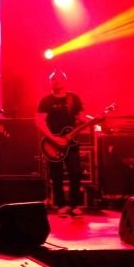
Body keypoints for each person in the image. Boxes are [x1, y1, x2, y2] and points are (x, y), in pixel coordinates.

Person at [35, 70, 86, 216]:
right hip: (52, 143)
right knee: (56, 174)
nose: (56, 81)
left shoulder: (74, 98)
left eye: (59, 78)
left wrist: (87, 119)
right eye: (53, 79)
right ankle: (61, 205)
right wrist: (52, 137)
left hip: (71, 142)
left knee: (75, 172)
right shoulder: (46, 101)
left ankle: (75, 205)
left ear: (65, 80)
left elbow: (81, 116)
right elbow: (39, 121)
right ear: (50, 82)